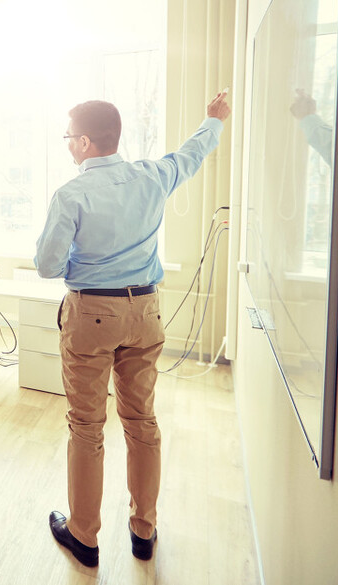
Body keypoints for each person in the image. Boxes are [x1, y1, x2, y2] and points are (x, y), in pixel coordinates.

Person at [34, 92, 231, 568]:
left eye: (67, 138)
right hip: (145, 312)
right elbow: (191, 155)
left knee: (87, 427)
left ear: (83, 142)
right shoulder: (152, 175)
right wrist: (213, 121)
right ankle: (144, 529)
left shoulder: (72, 194)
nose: (67, 146)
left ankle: (84, 536)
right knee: (141, 421)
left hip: (91, 317)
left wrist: (86, 257)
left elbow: (47, 265)